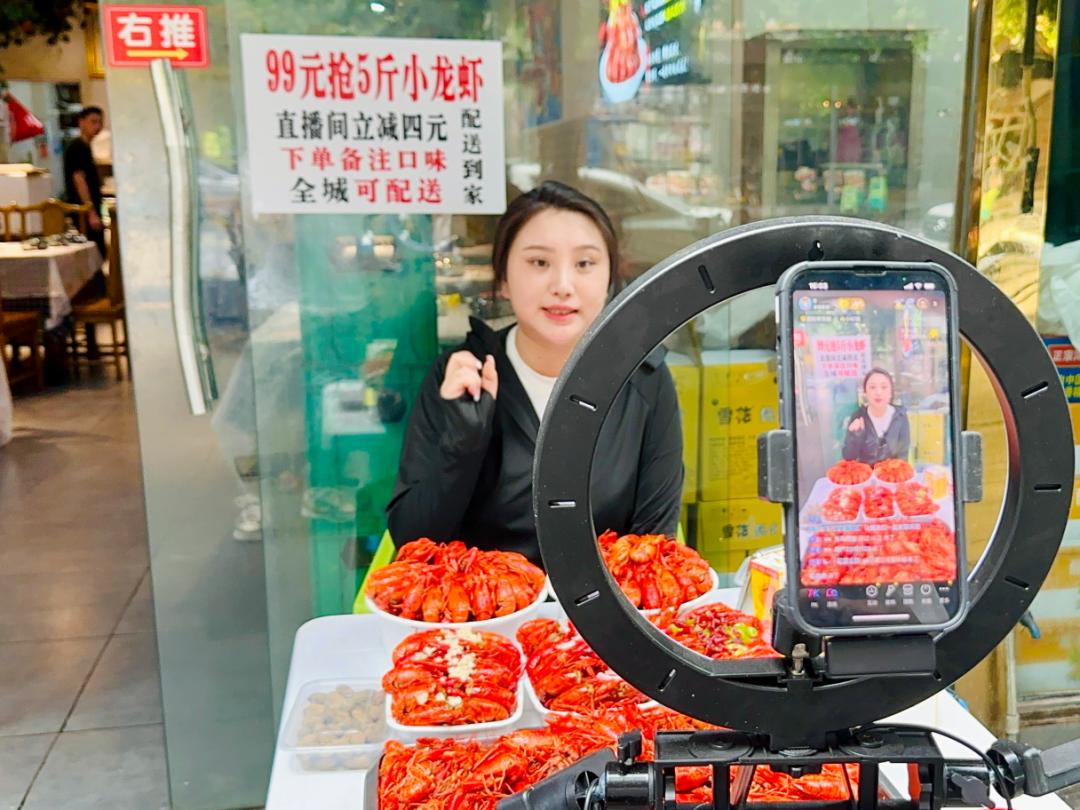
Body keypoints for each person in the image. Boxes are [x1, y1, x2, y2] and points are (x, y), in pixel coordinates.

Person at [386, 181, 683, 565]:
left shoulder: (645, 380)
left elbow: (655, 549)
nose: (562, 286)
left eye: (584, 264)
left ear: (609, 280)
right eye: (539, 263)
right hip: (482, 604)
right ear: (503, 279)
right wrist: (461, 443)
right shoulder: (461, 375)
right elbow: (411, 543)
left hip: (601, 604)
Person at [842, 367, 911, 465]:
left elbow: (903, 457)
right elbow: (848, 458)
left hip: (891, 473)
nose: (878, 392)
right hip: (865, 473)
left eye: (884, 387)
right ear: (865, 392)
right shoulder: (858, 417)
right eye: (872, 387)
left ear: (891, 392)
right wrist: (855, 436)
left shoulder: (900, 417)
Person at [63, 106, 106, 260]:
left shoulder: (87, 147)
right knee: (93, 254)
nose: (97, 126)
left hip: (90, 207)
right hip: (83, 211)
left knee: (98, 252)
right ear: (81, 122)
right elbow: (79, 180)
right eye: (93, 122)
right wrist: (91, 212)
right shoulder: (77, 148)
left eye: (100, 122)